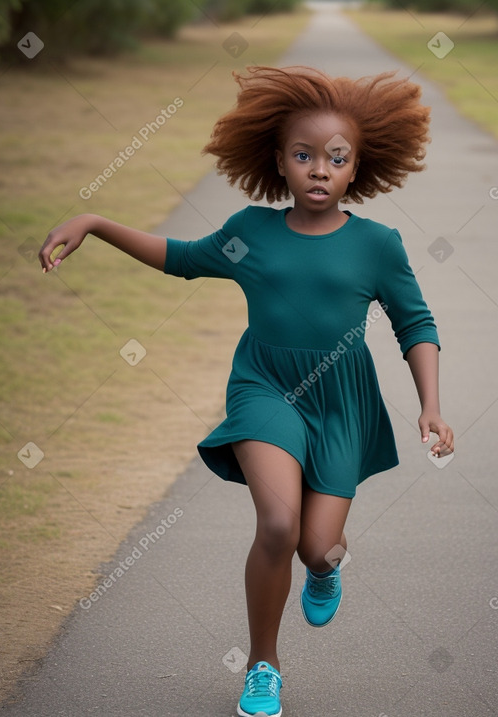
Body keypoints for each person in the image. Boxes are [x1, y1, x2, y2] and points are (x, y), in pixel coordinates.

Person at [39, 66, 454, 717]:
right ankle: (264, 665)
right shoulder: (250, 233)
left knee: (318, 544)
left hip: (342, 402)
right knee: (279, 522)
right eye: (304, 155)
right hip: (265, 389)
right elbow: (178, 256)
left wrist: (430, 404)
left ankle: (324, 565)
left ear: (357, 167)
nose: (320, 168)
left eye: (336, 158)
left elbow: (416, 324)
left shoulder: (378, 245)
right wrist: (94, 221)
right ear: (279, 162)